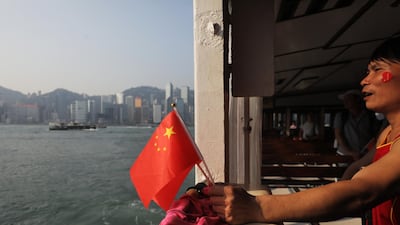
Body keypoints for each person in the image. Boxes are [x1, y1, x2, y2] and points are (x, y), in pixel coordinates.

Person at [207, 36, 400, 225]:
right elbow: (356, 172)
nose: (365, 80)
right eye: (368, 71)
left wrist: (257, 207)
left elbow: (362, 192)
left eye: (377, 70)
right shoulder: (386, 134)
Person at [333, 89, 381, 160]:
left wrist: (369, 152)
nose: (345, 102)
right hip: (345, 155)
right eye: (344, 100)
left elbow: (376, 136)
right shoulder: (341, 116)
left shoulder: (370, 116)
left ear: (357, 100)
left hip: (365, 155)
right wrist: (350, 152)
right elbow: (338, 135)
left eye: (348, 99)